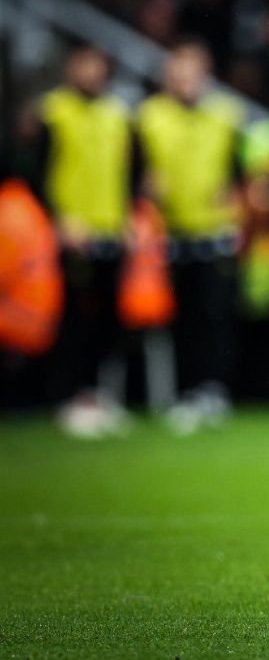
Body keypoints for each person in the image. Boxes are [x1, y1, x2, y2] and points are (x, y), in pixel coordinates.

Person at [21, 46, 135, 437]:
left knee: (109, 320)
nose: (90, 71)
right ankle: (66, 397)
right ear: (71, 67)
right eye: (83, 63)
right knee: (72, 319)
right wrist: (59, 219)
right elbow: (35, 172)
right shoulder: (52, 112)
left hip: (110, 230)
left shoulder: (118, 115)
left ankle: (97, 397)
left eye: (97, 64)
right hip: (71, 233)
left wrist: (128, 217)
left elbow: (129, 172)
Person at [137, 41, 244, 430]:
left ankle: (213, 391)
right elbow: (137, 168)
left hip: (216, 228)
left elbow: (242, 166)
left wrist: (237, 187)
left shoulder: (225, 115)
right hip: (170, 230)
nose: (184, 80)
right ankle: (184, 393)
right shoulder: (149, 116)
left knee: (215, 314)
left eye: (192, 71)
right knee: (180, 318)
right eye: (178, 71)